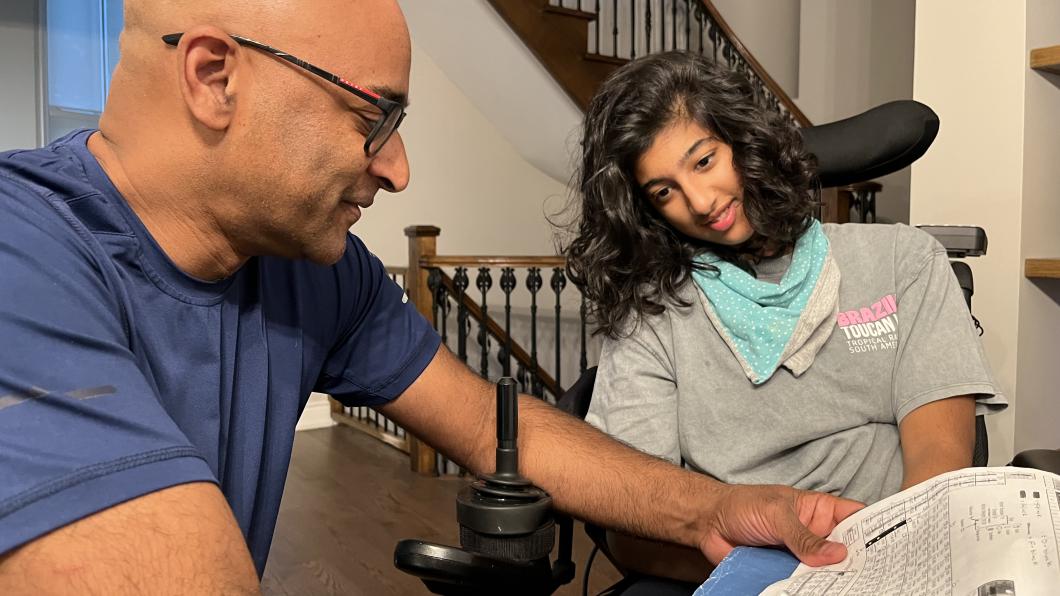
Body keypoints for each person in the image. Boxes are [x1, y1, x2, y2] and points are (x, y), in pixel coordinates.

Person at [0, 3, 864, 592]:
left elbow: (494, 423)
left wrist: (714, 508)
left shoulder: (316, 272)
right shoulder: (19, 253)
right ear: (215, 77)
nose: (398, 168)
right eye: (374, 119)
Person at [563, 51, 1007, 589]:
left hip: (891, 567)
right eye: (664, 191)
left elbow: (939, 474)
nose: (701, 202)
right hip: (732, 572)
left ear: (743, 140)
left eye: (704, 161)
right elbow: (634, 523)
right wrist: (781, 575)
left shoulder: (903, 261)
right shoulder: (652, 313)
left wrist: (877, 572)